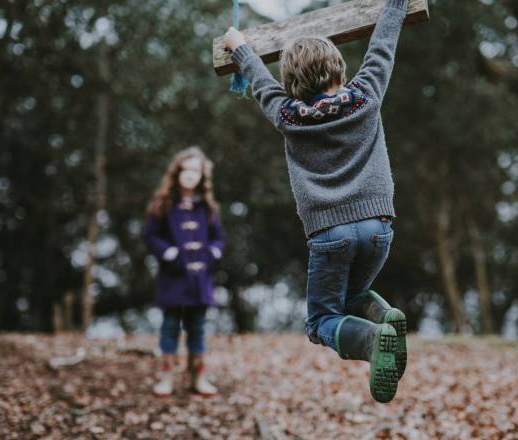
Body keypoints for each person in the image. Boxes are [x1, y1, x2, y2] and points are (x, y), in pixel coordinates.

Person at [224, 0, 409, 403]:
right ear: (340, 68)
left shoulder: (289, 116)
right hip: (379, 227)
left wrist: (241, 48)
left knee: (321, 320)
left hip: (330, 234)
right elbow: (383, 47)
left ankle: (376, 339)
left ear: (292, 82)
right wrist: (395, 4)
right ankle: (384, 318)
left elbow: (260, 82)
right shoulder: (367, 95)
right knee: (352, 299)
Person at [143, 147, 225, 396]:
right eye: (186, 170)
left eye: (196, 171)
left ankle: (197, 378)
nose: (191, 175)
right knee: (169, 326)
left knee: (197, 328)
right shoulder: (163, 204)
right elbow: (150, 235)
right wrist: (169, 253)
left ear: (202, 176)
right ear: (177, 173)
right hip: (173, 278)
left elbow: (219, 238)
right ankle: (166, 378)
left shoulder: (207, 207)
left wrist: (212, 253)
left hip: (200, 280)